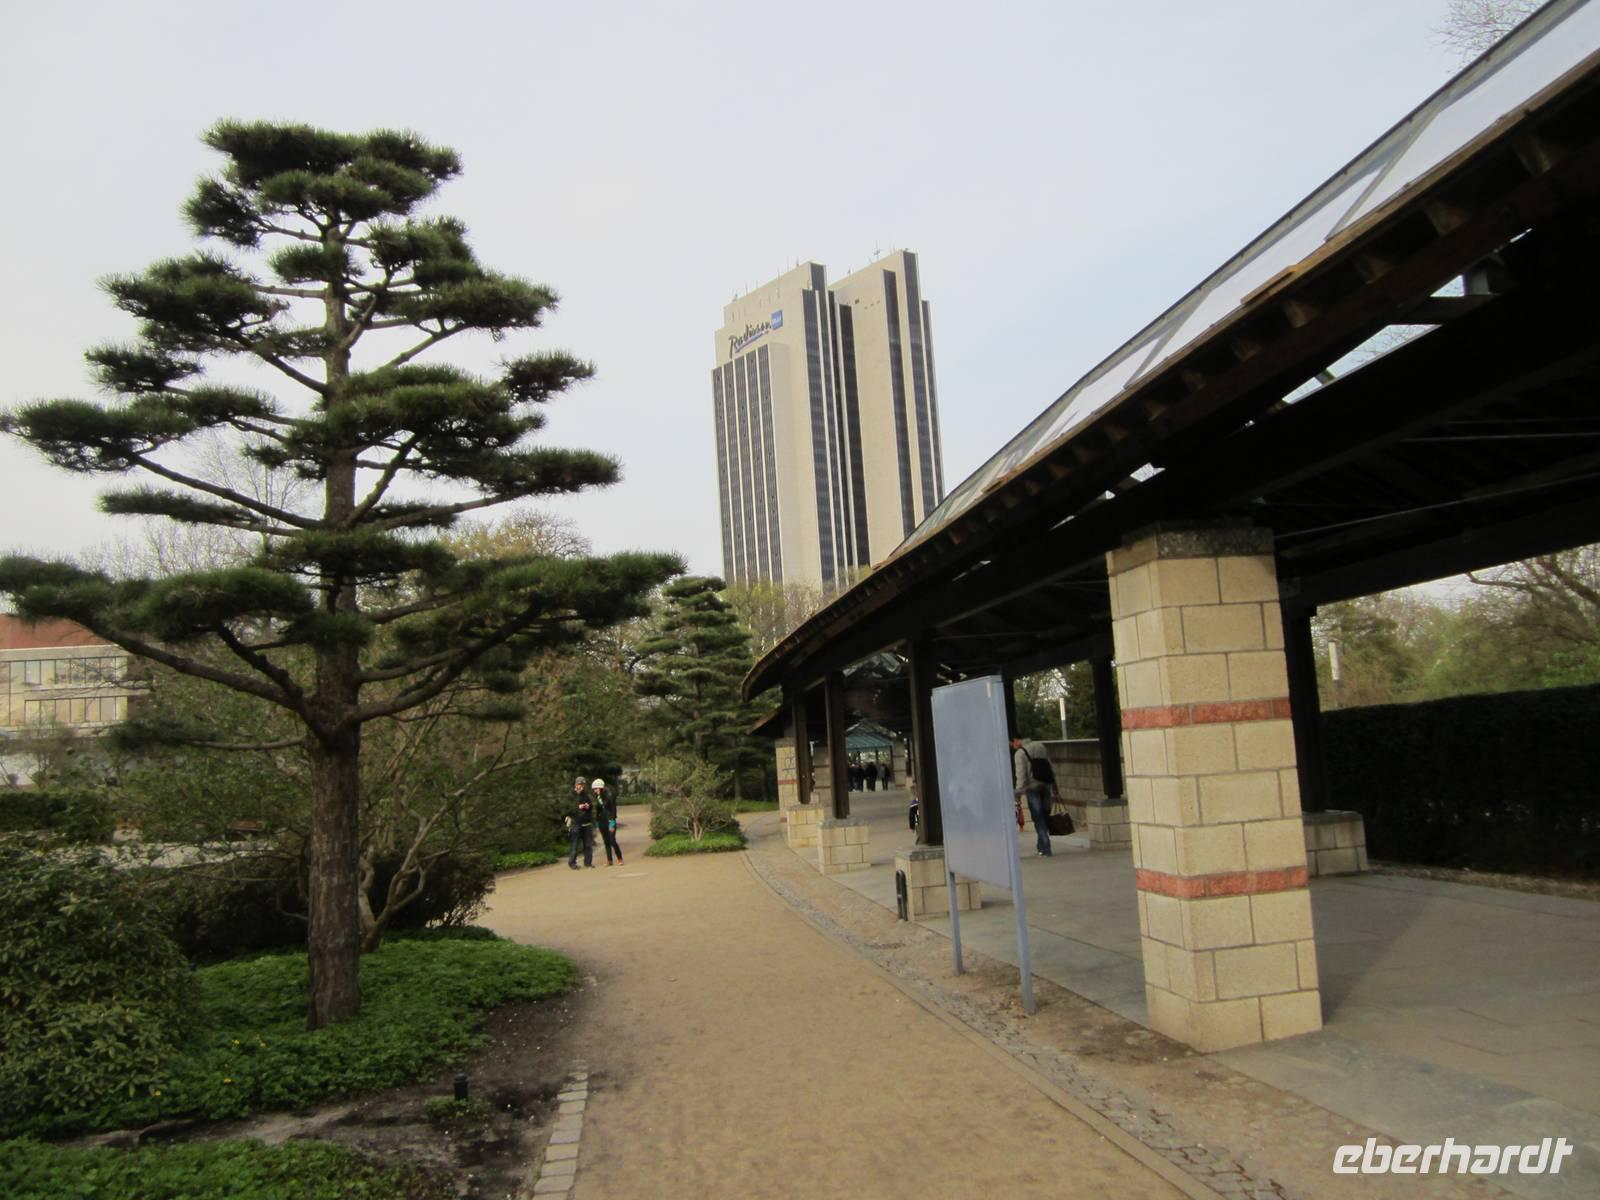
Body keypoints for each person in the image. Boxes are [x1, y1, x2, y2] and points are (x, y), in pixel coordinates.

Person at [1010, 733, 1054, 857]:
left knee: (1038, 817)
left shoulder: (1019, 753)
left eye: (1012, 744)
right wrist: (1054, 784)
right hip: (1046, 784)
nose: (1012, 747)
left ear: (1016, 741)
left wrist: (1018, 792)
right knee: (1045, 814)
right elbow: (1050, 765)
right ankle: (1042, 846)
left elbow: (1021, 774)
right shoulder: (1040, 746)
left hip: (1032, 787)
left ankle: (1045, 847)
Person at [566, 776, 596, 869]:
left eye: (583, 784)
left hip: (586, 822)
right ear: (576, 785)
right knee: (575, 844)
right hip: (576, 823)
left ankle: (588, 863)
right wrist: (578, 807)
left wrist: (588, 806)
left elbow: (590, 806)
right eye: (579, 784)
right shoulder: (571, 796)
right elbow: (568, 809)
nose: (581, 786)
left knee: (588, 845)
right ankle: (572, 863)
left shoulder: (585, 795)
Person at [592, 777, 623, 866]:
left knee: (612, 840)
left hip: (609, 821)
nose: (595, 791)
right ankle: (609, 860)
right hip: (601, 821)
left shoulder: (609, 796)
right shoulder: (597, 797)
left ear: (601, 788)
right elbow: (598, 810)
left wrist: (612, 823)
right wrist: (597, 821)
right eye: (594, 789)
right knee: (606, 841)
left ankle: (620, 858)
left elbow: (613, 809)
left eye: (596, 789)